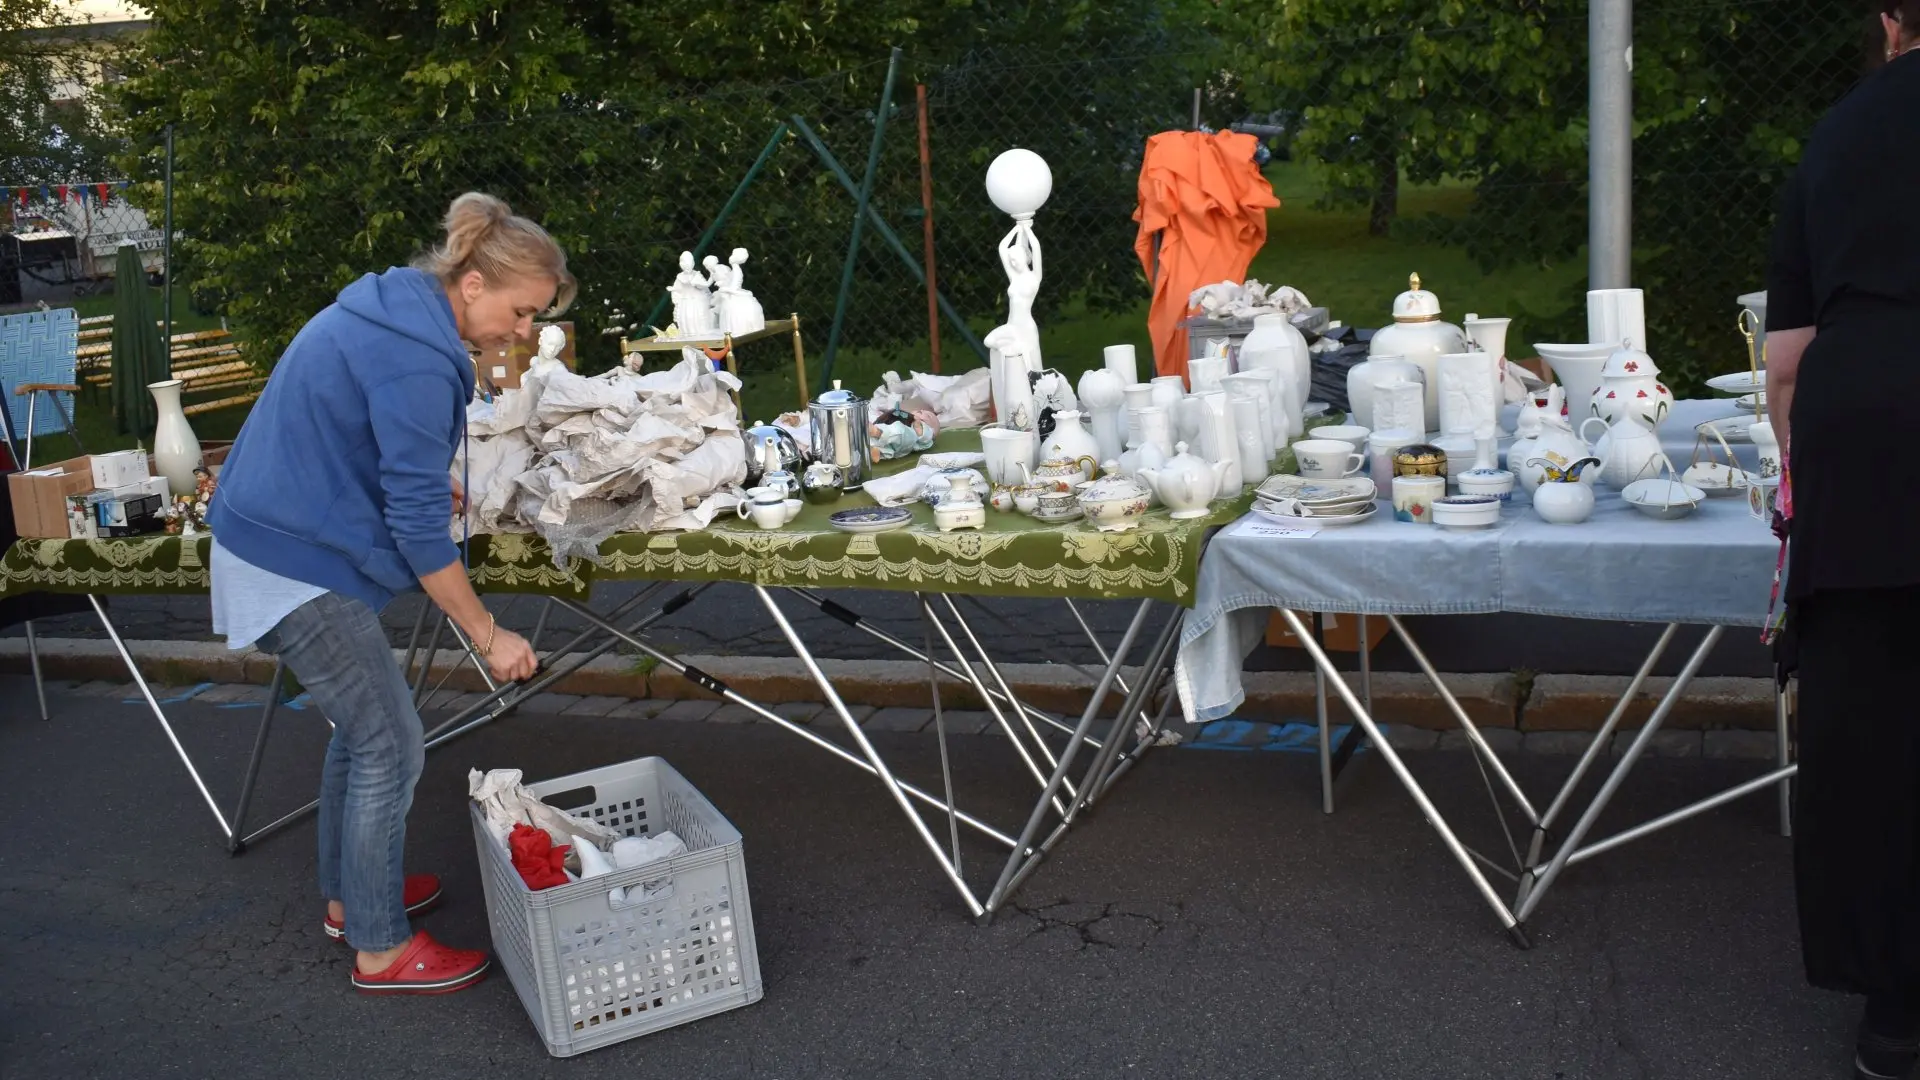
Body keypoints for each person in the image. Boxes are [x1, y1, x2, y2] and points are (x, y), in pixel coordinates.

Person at [207, 192, 572, 995]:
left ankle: (355, 899)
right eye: (521, 312)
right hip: (290, 560)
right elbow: (416, 532)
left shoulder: (396, 314)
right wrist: (489, 634)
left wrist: (424, 489)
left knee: (364, 728)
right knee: (390, 742)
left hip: (270, 538)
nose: (524, 331)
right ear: (471, 284)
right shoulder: (417, 356)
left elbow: (354, 445)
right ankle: (379, 948)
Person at [1765, 4, 1920, 1075]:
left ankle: (1895, 1014)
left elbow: (1787, 360)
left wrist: (1801, 478)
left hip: (1866, 438)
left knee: (1875, 727)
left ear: (1891, 21)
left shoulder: (1843, 131)